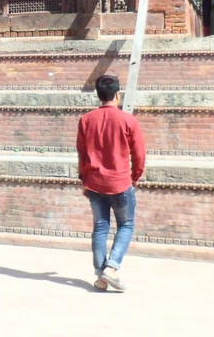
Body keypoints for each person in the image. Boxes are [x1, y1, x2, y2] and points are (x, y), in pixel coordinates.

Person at [76, 74, 146, 292]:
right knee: (126, 225)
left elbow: (82, 153)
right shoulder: (128, 120)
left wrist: (84, 179)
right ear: (117, 95)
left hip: (94, 183)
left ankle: (101, 277)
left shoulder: (86, 120)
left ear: (99, 95)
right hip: (120, 183)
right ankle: (112, 267)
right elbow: (139, 154)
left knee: (100, 227)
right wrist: (135, 176)